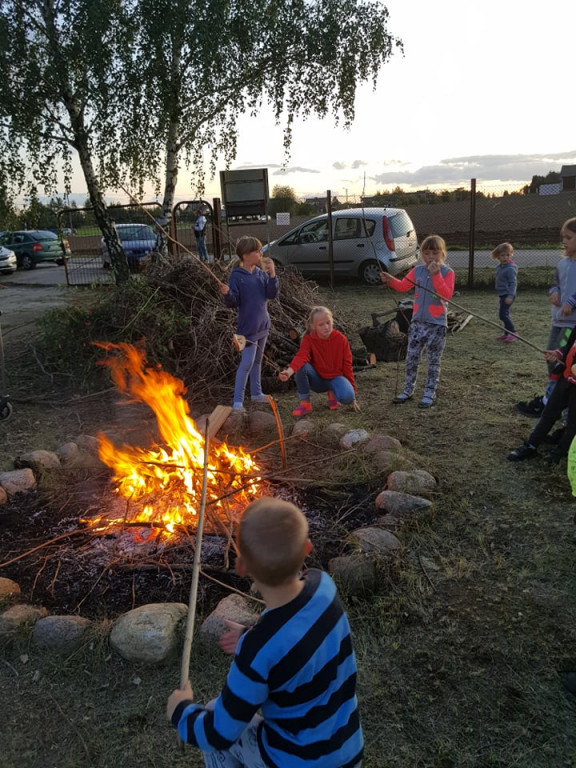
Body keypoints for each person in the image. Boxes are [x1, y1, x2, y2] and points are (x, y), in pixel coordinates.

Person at [167, 497, 364, 768]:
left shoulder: (257, 652)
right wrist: (249, 634)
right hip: (347, 753)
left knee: (212, 709)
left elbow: (219, 734)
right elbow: (296, 638)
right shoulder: (324, 587)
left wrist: (181, 711)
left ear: (241, 566)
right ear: (307, 549)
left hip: (296, 762)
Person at [380, 234, 455, 408]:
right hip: (417, 323)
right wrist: (390, 280)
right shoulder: (418, 271)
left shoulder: (447, 273)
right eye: (427, 253)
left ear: (442, 254)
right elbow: (402, 286)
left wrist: (436, 275)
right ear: (422, 254)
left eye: (435, 253)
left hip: (436, 325)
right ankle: (408, 390)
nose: (431, 257)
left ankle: (429, 392)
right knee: (412, 358)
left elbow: (446, 295)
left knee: (433, 360)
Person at [517, 217, 576, 416]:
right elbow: (556, 283)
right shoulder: (562, 264)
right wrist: (554, 292)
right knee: (551, 358)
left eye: (568, 237)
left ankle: (551, 403)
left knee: (564, 363)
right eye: (563, 238)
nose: (564, 241)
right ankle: (553, 399)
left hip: (572, 324)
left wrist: (571, 302)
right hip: (558, 320)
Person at [220, 236, 279, 412]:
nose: (261, 254)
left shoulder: (260, 274)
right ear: (245, 256)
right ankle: (237, 402)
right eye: (257, 251)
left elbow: (272, 294)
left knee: (257, 362)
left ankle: (256, 393)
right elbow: (233, 302)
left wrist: (272, 274)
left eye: (260, 250)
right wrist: (227, 293)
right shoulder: (237, 277)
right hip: (247, 330)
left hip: (263, 326)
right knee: (246, 363)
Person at [508, 323, 576, 464]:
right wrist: (558, 353)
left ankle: (560, 451)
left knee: (573, 423)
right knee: (549, 412)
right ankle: (531, 445)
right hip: (566, 379)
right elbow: (569, 347)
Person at [278, 306, 360, 417]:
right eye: (321, 325)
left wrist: (353, 394)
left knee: (348, 397)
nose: (326, 327)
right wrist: (289, 371)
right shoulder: (308, 339)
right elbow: (301, 356)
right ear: (313, 326)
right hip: (317, 380)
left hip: (335, 378)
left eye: (328, 323)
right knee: (302, 366)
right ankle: (305, 403)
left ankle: (333, 395)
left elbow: (347, 365)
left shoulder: (341, 339)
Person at [491, 242, 517, 342]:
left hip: (508, 294)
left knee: (503, 315)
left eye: (508, 255)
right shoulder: (500, 267)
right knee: (504, 314)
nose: (505, 257)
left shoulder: (510, 269)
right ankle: (507, 333)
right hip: (502, 294)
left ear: (511, 255)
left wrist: (510, 295)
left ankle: (513, 332)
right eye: (502, 255)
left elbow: (513, 283)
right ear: (498, 256)